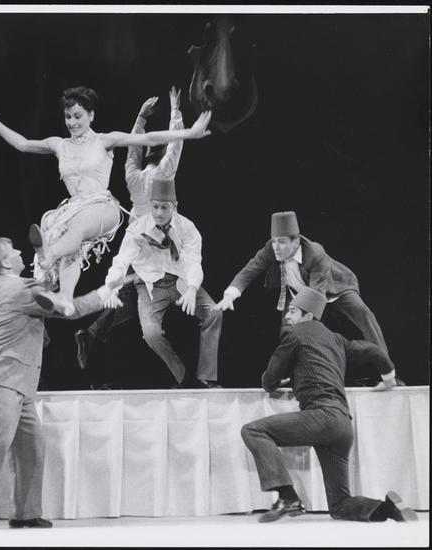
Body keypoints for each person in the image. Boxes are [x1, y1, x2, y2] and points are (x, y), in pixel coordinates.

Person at [0, 86, 212, 314]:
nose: (72, 122)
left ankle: (48, 254)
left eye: (78, 116)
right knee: (72, 247)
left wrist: (189, 133)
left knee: (74, 231)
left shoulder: (104, 140)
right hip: (74, 208)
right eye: (68, 117)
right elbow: (23, 144)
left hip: (102, 207)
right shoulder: (59, 144)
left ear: (91, 116)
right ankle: (65, 297)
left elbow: (148, 139)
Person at [0, 237, 122, 533]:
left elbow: (47, 293)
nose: (20, 252)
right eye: (13, 251)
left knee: (32, 445)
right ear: (5, 262)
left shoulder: (1, 286)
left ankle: (26, 514)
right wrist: (105, 292)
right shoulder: (19, 289)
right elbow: (69, 309)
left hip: (18, 381)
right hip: (2, 379)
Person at [241, 287, 416, 523]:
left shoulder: (295, 334)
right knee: (340, 505)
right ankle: (388, 509)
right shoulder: (337, 340)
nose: (287, 316)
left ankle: (287, 497)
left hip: (321, 417)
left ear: (308, 315)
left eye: (292, 311)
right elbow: (373, 349)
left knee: (253, 431)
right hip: (342, 425)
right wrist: (389, 378)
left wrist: (274, 381)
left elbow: (269, 380)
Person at [75, 87, 187, 383]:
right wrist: (175, 110)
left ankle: (92, 333)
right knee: (146, 297)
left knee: (127, 296)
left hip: (135, 242)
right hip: (155, 245)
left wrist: (141, 118)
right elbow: (176, 144)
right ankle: (182, 374)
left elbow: (132, 151)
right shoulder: (163, 175)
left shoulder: (133, 176)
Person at [214, 211, 397, 383]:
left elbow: (317, 294)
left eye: (282, 242)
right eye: (274, 241)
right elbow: (251, 269)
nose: (276, 247)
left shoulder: (315, 253)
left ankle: (388, 373)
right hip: (299, 292)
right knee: (289, 330)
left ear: (296, 242)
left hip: (334, 289)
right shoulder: (271, 248)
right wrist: (230, 295)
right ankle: (286, 375)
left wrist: (305, 321)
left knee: (363, 313)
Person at [104, 178, 223, 388]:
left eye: (165, 207)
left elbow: (194, 262)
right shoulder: (137, 229)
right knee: (151, 334)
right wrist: (112, 286)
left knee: (214, 313)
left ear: (174, 206)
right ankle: (184, 379)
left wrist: (192, 288)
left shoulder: (187, 228)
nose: (159, 213)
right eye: (155, 207)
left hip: (180, 281)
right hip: (150, 285)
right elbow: (121, 261)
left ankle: (207, 378)